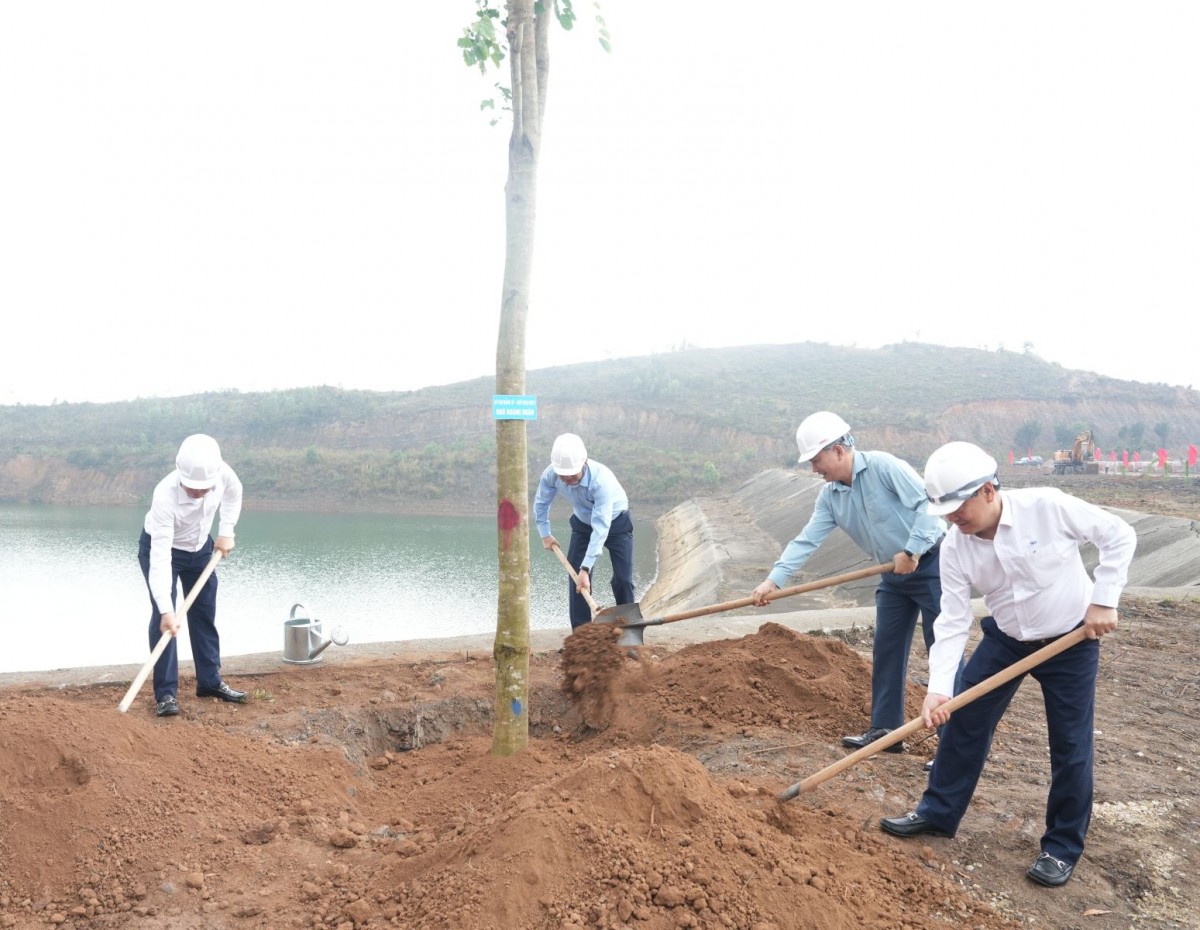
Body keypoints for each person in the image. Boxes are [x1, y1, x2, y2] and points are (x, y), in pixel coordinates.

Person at [880, 441, 1136, 889]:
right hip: (1006, 640)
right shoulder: (956, 545)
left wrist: (1104, 599)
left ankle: (1061, 848)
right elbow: (954, 619)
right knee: (961, 721)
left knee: (1071, 745)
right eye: (944, 510)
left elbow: (1119, 535)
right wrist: (939, 688)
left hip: (1071, 641)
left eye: (958, 506)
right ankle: (938, 813)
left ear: (987, 490)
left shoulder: (1047, 507)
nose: (952, 517)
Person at [750, 411, 958, 755]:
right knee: (887, 648)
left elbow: (928, 505)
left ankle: (953, 748)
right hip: (891, 575)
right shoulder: (830, 497)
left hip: (933, 564)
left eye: (816, 460)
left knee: (943, 652)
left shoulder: (883, 466)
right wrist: (774, 580)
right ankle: (886, 732)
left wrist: (912, 550)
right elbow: (806, 540)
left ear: (838, 450)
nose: (814, 468)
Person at [138, 434, 247, 717]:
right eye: (192, 488)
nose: (198, 492)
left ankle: (210, 682)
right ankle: (165, 694)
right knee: (165, 621)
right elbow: (160, 557)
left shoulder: (222, 473)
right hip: (164, 550)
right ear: (180, 474)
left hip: (200, 548)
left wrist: (226, 531)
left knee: (203, 612)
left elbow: (235, 494)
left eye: (204, 488)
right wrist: (165, 608)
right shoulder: (164, 494)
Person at [534, 433, 635, 628]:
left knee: (623, 579)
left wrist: (586, 568)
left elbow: (601, 527)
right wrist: (545, 533)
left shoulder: (600, 480)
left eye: (573, 474)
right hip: (582, 524)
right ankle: (582, 636)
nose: (568, 479)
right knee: (576, 580)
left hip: (616, 523)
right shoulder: (551, 475)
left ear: (584, 463)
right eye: (564, 475)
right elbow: (541, 503)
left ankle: (629, 633)